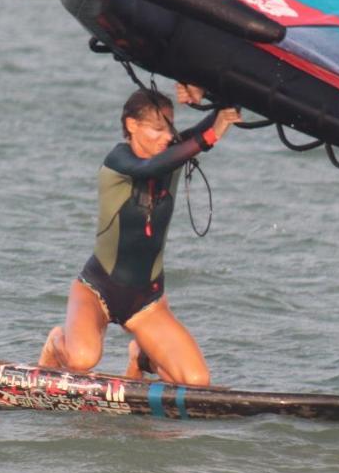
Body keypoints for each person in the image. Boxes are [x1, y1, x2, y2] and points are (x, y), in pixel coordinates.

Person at [37, 83, 240, 386]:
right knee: (82, 360)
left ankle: (141, 357)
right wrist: (211, 134)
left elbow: (224, 111)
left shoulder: (170, 153)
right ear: (131, 125)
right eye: (157, 129)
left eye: (170, 128)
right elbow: (150, 168)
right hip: (97, 290)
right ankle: (57, 342)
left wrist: (206, 94)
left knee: (196, 381)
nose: (168, 136)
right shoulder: (118, 162)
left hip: (147, 301)